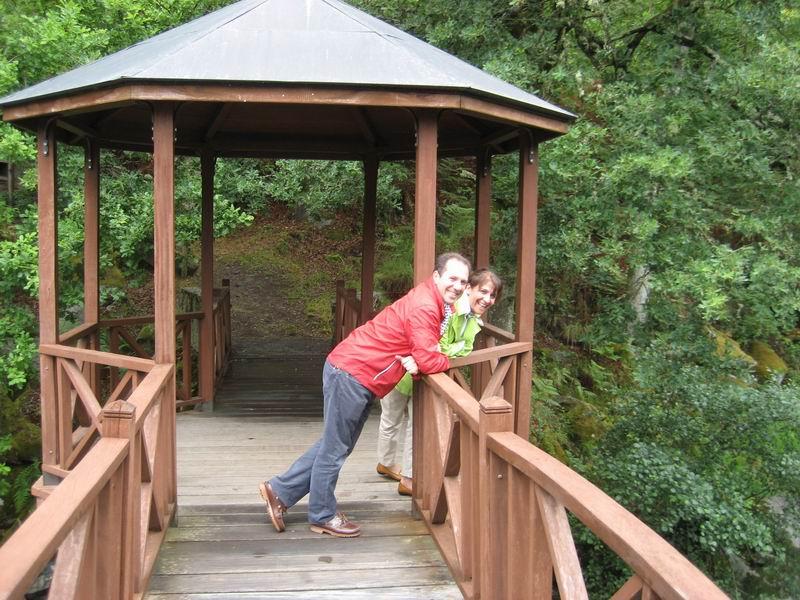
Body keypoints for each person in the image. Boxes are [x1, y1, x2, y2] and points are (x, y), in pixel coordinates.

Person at [259, 252, 471, 538]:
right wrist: (445, 360)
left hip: (355, 373)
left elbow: (422, 355)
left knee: (335, 445)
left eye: (463, 281)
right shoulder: (426, 307)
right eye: (452, 278)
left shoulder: (433, 301)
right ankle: (322, 515)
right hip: (352, 374)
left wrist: (424, 359)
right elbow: (428, 358)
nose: (457, 286)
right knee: (335, 449)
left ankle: (279, 491)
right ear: (436, 276)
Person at [376, 268, 503, 495]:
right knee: (391, 418)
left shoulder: (474, 319)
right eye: (483, 291)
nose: (487, 299)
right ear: (468, 288)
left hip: (426, 375)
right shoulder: (450, 309)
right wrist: (449, 350)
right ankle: (386, 463)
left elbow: (463, 348)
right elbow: (439, 346)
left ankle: (408, 478)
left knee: (416, 424)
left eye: (492, 295)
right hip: (402, 370)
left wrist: (446, 350)